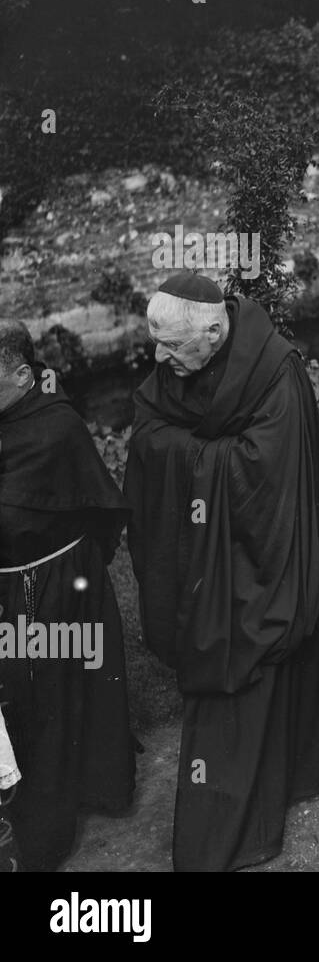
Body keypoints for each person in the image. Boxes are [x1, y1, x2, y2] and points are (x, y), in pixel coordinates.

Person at [123, 272, 319, 871]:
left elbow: (265, 468)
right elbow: (147, 427)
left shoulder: (273, 370)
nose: (160, 358)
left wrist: (188, 453)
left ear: (214, 329)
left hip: (264, 545)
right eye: (157, 344)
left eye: (172, 347)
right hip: (202, 551)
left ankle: (242, 821)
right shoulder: (181, 358)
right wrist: (194, 452)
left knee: (255, 645)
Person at [0, 319, 134, 870]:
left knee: (51, 695)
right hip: (21, 580)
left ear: (22, 375)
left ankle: (54, 810)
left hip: (52, 583)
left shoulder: (55, 427)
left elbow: (96, 509)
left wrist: (69, 573)